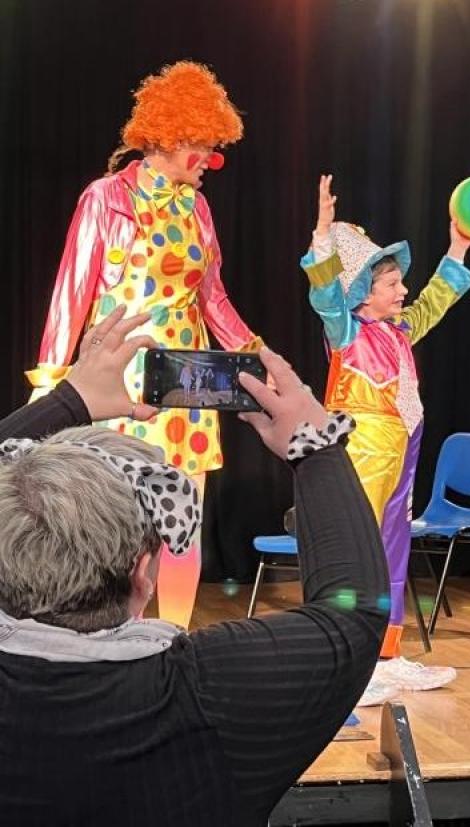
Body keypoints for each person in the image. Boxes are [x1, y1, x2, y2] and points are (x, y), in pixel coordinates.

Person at [0, 309, 387, 826]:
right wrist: (315, 449)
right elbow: (356, 614)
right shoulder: (210, 689)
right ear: (143, 573)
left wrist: (69, 400)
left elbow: (355, 613)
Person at [26, 61, 263, 629]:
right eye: (203, 146)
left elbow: (213, 298)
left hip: (187, 383)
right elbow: (70, 293)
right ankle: (101, 637)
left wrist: (259, 358)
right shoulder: (107, 198)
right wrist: (50, 383)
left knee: (182, 521)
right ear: (171, 136)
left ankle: (173, 640)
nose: (210, 159)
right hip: (119, 382)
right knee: (113, 519)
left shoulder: (198, 208)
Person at [300, 174, 470, 692]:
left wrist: (459, 247)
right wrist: (323, 235)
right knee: (356, 553)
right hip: (362, 448)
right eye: (392, 284)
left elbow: (437, 299)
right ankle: (348, 660)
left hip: (403, 447)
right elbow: (325, 293)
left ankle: (386, 653)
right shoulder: (345, 329)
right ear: (363, 292)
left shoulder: (398, 330)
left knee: (392, 549)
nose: (403, 291)